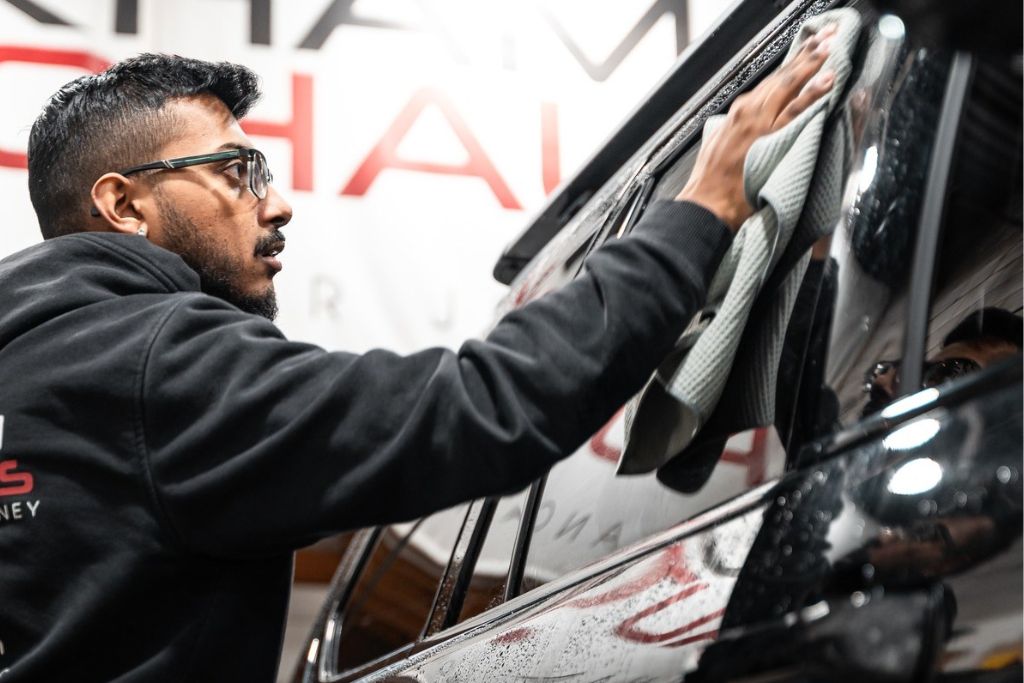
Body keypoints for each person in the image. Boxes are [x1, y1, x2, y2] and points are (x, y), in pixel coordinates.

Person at [0, 31, 835, 682]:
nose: (279, 203)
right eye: (238, 169)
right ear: (124, 203)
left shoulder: (32, 364)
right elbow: (486, 405)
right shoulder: (157, 362)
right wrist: (703, 207)